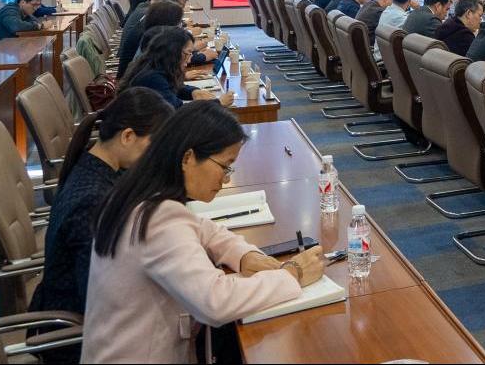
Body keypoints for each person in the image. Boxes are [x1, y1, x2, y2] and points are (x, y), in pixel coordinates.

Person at [82, 102, 324, 363]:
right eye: (225, 166)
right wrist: (293, 274)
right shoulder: (159, 218)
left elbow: (202, 229)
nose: (227, 179)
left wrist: (244, 255)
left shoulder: (139, 193)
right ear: (187, 158)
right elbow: (215, 302)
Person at [29, 89, 176, 320]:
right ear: (128, 136)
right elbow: (99, 295)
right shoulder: (92, 201)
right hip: (80, 326)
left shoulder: (95, 165)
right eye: (153, 147)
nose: (153, 158)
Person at [119, 27, 231, 109]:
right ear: (174, 52)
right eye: (187, 53)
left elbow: (170, 87)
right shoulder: (153, 78)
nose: (189, 59)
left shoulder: (154, 64)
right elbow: (178, 114)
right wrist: (217, 104)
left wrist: (193, 92)